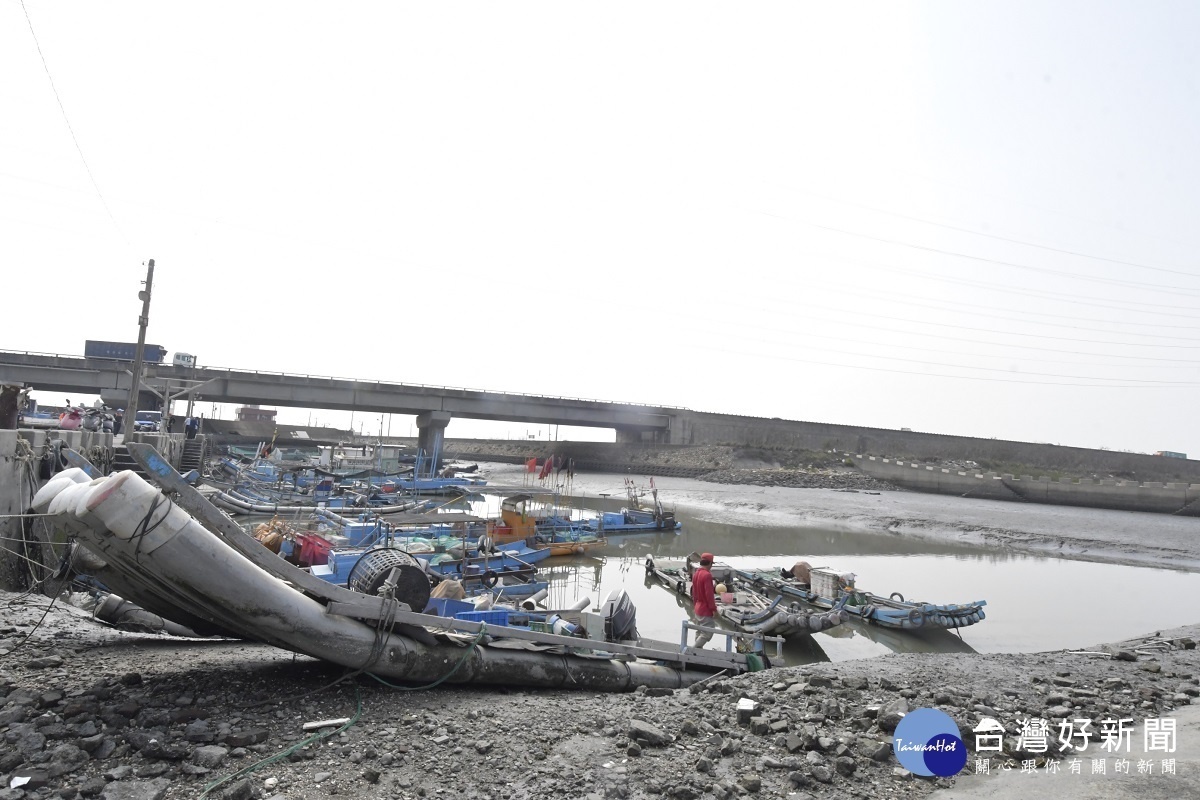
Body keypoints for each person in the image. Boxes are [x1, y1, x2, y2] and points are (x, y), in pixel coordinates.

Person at [690, 552, 717, 649]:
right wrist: (713, 609)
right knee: (707, 632)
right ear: (709, 563)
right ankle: (693, 650)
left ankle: (697, 651)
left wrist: (694, 606)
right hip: (705, 609)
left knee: (699, 630)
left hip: (697, 607)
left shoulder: (696, 574)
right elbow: (709, 595)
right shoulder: (707, 575)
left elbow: (694, 593)